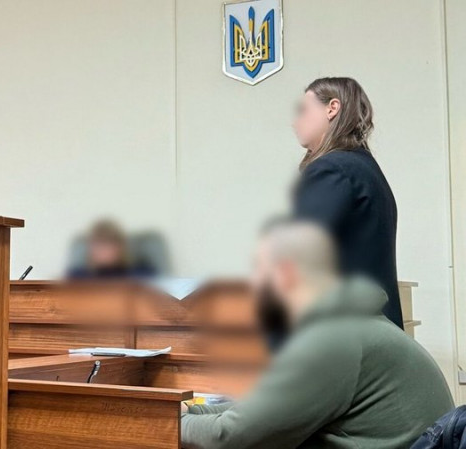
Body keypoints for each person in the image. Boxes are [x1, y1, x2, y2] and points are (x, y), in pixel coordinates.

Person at [181, 219, 453, 449]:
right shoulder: (350, 325)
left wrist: (170, 422)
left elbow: (231, 437)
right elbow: (264, 409)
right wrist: (192, 411)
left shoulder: (332, 341)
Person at [291, 77, 402, 329]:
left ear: (332, 108)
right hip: (376, 330)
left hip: (342, 332)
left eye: (304, 110)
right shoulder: (365, 167)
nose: (295, 122)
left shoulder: (330, 168)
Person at [67, 219, 155, 279]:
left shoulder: (140, 275)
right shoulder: (77, 277)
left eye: (108, 244)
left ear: (120, 247)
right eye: (99, 245)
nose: (103, 250)